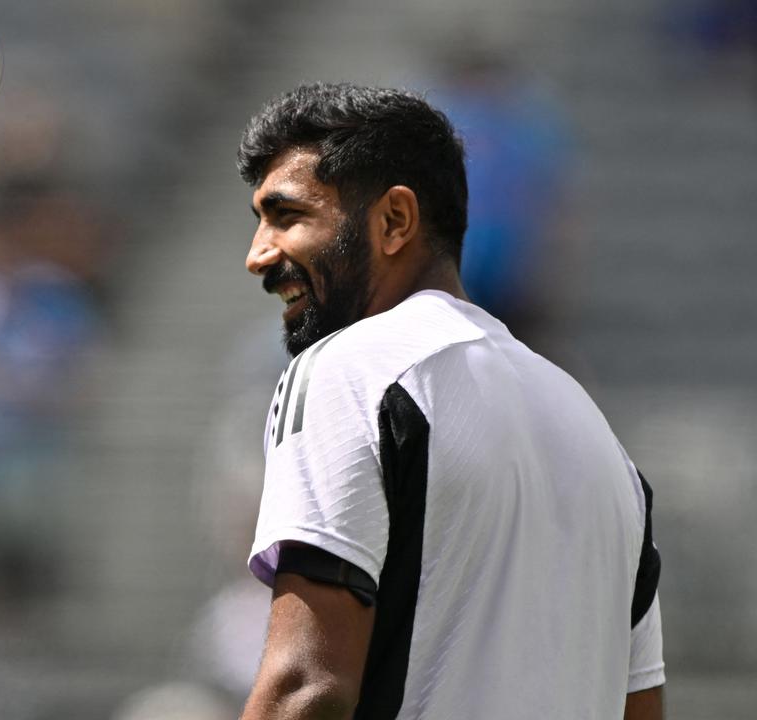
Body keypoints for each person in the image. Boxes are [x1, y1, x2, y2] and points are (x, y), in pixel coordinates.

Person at [235, 83, 663, 719]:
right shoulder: (601, 438)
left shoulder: (350, 369)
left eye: (288, 215)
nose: (258, 255)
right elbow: (643, 708)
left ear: (394, 221)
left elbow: (306, 686)